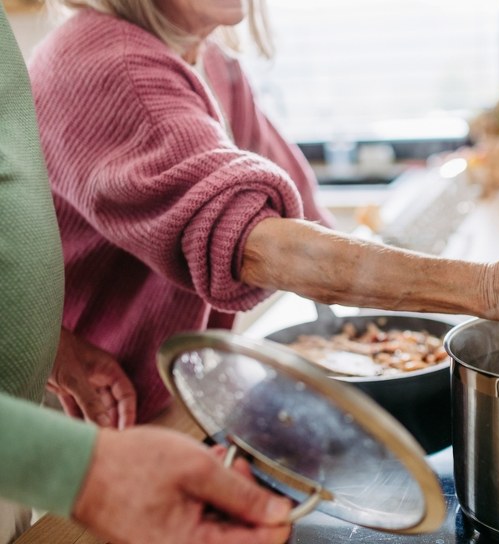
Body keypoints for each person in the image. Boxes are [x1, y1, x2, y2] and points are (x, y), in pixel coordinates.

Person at [29, 0, 499, 425]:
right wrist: (494, 286)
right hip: (87, 415)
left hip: (172, 389)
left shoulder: (211, 63)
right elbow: (258, 246)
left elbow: (310, 225)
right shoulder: (107, 65)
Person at [0, 4, 293, 542]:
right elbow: (249, 241)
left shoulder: (219, 67)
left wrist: (51, 344)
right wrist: (80, 469)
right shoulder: (95, 61)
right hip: (55, 442)